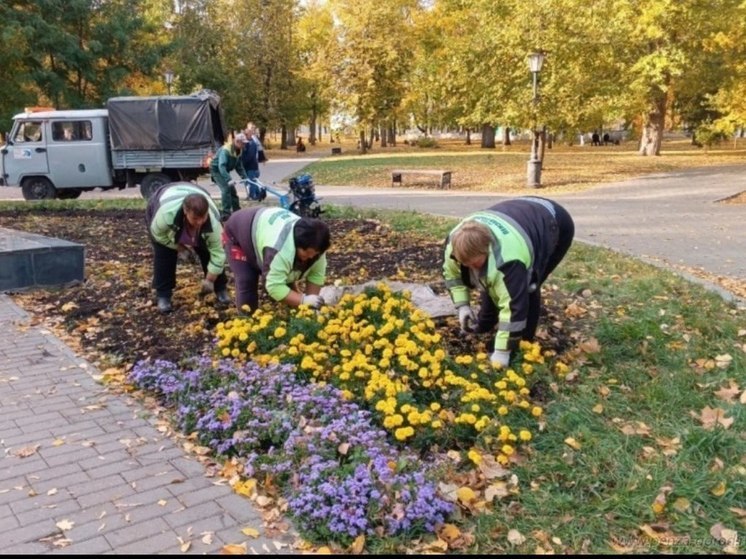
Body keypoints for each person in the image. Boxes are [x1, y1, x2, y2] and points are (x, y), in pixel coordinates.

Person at [442, 196, 574, 368]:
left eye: (475, 264)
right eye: (465, 264)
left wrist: (502, 352)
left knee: (527, 288)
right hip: (519, 211)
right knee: (492, 278)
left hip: (554, 220)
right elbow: (453, 276)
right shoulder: (454, 244)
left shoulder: (509, 260)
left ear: (488, 249)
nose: (471, 269)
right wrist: (463, 306)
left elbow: (513, 307)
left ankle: (522, 343)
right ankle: (486, 322)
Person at [222, 206, 330, 314]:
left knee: (287, 276)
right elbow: (273, 286)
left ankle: (297, 313)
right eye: (306, 252)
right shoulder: (278, 249)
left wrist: (311, 305)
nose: (311, 257)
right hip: (238, 233)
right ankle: (246, 321)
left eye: (314, 254)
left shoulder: (317, 244)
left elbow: (316, 276)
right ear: (297, 244)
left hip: (264, 227)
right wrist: (303, 300)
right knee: (247, 279)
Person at [146, 182, 230, 313]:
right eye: (195, 218)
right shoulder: (166, 215)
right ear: (185, 212)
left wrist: (209, 280)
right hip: (164, 198)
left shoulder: (213, 225)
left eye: (203, 217)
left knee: (207, 251)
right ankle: (163, 295)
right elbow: (158, 235)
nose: (200, 222)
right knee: (164, 253)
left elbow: (218, 253)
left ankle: (220, 289)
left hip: (197, 192)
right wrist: (179, 248)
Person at [210, 133, 249, 220]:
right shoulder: (226, 150)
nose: (244, 145)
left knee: (233, 192)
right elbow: (221, 166)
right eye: (243, 143)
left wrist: (245, 177)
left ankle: (237, 211)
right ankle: (226, 213)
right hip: (216, 170)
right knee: (226, 189)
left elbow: (239, 166)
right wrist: (228, 179)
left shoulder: (239, 151)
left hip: (224, 170)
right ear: (237, 142)